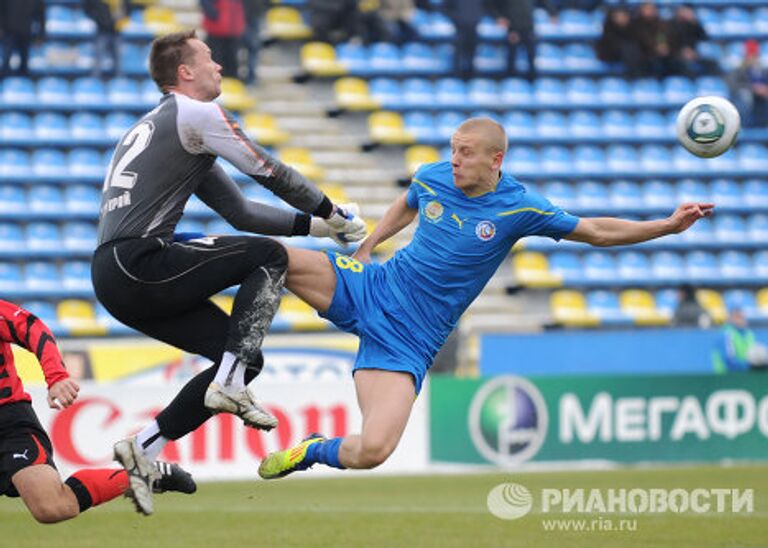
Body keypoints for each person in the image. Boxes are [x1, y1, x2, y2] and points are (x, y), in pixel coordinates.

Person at [256, 117, 714, 480]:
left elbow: (594, 230)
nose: (454, 160)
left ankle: (311, 449)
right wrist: (369, 244)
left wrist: (665, 226)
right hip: (372, 288)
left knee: (373, 450)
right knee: (269, 256)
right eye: (453, 149)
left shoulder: (519, 207)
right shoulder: (436, 175)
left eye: (466, 152)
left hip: (409, 341)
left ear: (496, 160)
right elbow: (409, 200)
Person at [91, 30, 366, 514]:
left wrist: (319, 228)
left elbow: (239, 211)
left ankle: (146, 447)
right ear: (185, 72)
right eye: (210, 59)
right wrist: (335, 212)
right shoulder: (196, 114)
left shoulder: (169, 128)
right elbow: (271, 172)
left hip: (117, 275)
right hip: (140, 261)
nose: (219, 66)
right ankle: (230, 384)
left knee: (243, 354)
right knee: (269, 256)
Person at [0, 299, 196, 523]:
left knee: (52, 507)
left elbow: (31, 327)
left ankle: (140, 474)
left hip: (7, 422)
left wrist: (56, 376)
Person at [666, 4, 719, 78]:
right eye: (684, 11)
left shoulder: (692, 24)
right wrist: (682, 51)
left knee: (712, 63)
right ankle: (690, 86)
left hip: (693, 53)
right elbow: (670, 42)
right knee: (686, 66)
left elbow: (704, 37)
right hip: (676, 54)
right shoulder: (671, 24)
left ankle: (712, 85)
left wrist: (694, 22)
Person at [82, 0, 130, 79]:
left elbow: (128, 6)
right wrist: (97, 18)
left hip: (117, 31)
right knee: (98, 61)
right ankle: (96, 83)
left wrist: (124, 15)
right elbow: (87, 6)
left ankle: (118, 84)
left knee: (119, 63)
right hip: (101, 30)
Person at [712, 308, 768, 374]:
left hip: (744, 376)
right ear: (730, 319)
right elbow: (728, 360)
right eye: (737, 317)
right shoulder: (726, 334)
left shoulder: (749, 334)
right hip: (726, 378)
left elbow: (753, 355)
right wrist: (751, 365)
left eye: (743, 317)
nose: (741, 320)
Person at [727, 40, 768, 129]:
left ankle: (763, 125)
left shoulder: (763, 71)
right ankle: (743, 126)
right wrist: (754, 89)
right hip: (745, 98)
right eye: (750, 56)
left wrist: (764, 89)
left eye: (755, 56)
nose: (752, 58)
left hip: (761, 98)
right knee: (745, 95)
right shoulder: (738, 71)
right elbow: (734, 86)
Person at [0, 0, 45, 77]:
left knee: (24, 64)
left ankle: (22, 85)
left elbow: (41, 17)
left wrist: (39, 36)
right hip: (9, 32)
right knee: (5, 62)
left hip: (26, 33)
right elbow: (1, 11)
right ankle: (4, 83)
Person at [443, 0, 485, 80]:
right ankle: (456, 79)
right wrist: (456, 18)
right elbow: (445, 7)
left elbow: (486, 6)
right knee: (458, 55)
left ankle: (470, 79)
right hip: (459, 26)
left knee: (471, 55)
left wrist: (478, 17)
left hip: (474, 26)